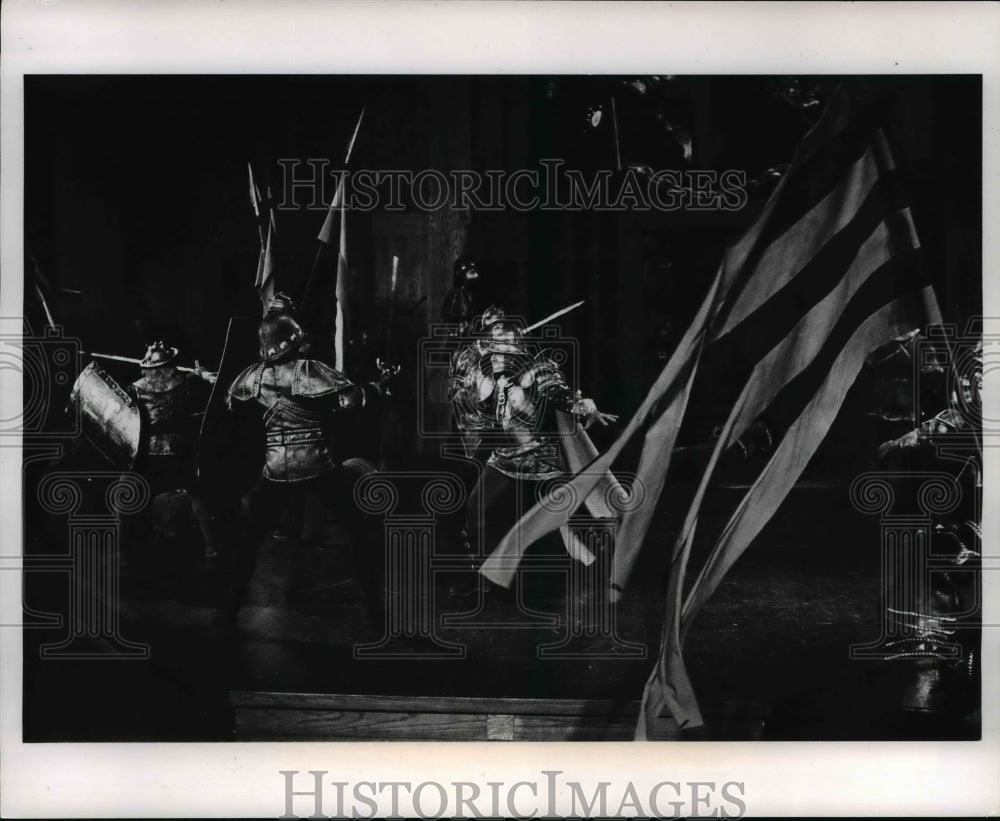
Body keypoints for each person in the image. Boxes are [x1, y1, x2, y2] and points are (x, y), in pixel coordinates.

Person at [214, 310, 396, 631]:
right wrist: (374, 389)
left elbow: (231, 403)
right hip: (318, 465)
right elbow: (352, 401)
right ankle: (375, 610)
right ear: (296, 341)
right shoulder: (308, 369)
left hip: (275, 469)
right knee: (357, 531)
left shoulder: (252, 376)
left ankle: (228, 612)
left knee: (249, 542)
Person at [448, 306, 616, 597]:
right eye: (492, 335)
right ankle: (481, 577)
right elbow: (467, 402)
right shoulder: (481, 376)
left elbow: (557, 391)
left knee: (568, 518)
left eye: (503, 331)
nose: (498, 342)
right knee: (476, 510)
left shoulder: (537, 368)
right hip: (503, 457)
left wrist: (580, 404)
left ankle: (607, 568)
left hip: (541, 457)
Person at [126, 340, 218, 561]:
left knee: (131, 495)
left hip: (149, 455)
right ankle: (211, 547)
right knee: (197, 496)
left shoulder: (134, 388)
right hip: (181, 451)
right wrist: (203, 375)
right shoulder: (187, 383)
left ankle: (133, 552)